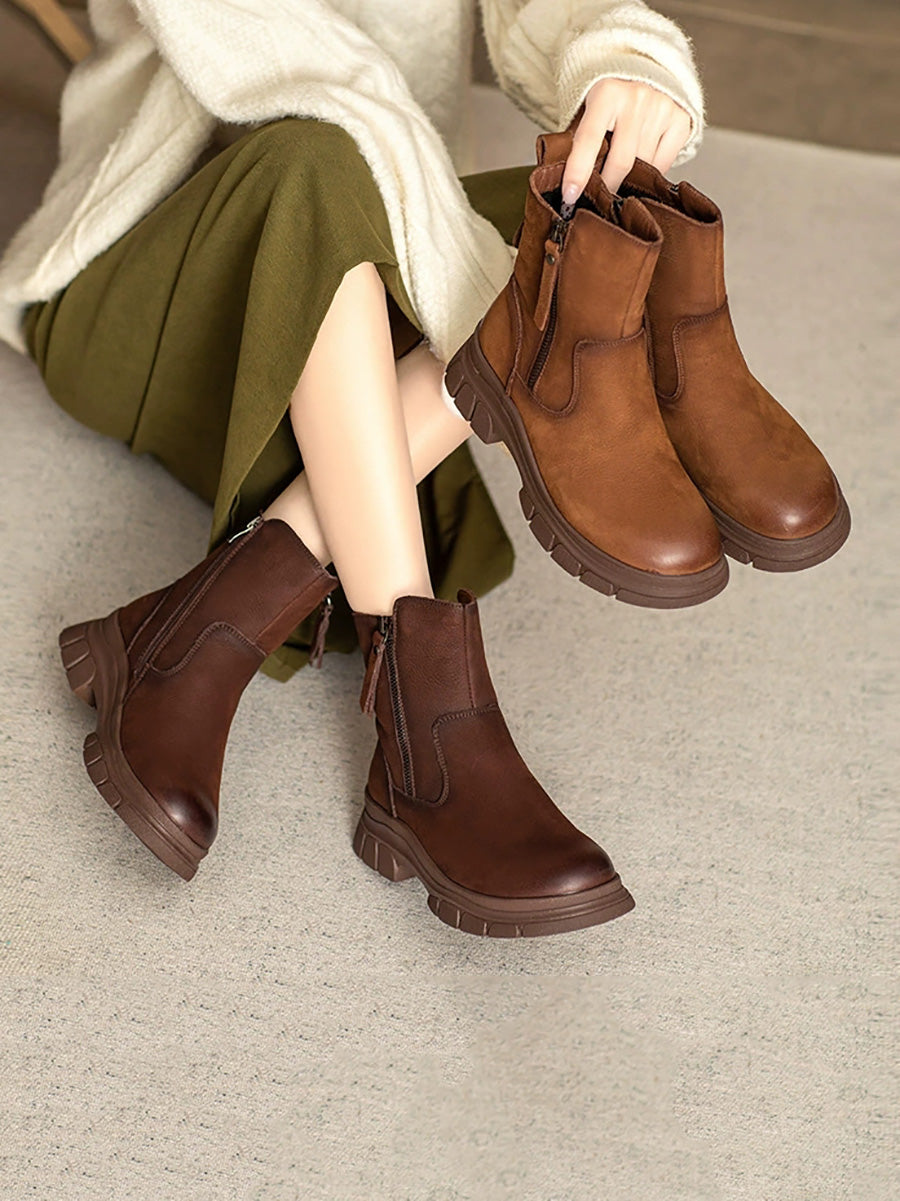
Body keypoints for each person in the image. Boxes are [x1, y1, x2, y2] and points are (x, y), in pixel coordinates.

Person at [1, 1, 707, 937]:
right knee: (323, 160)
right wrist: (478, 286)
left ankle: (197, 626)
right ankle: (431, 740)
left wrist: (627, 64)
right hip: (143, 286)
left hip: (354, 307)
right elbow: (270, 48)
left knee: (619, 230)